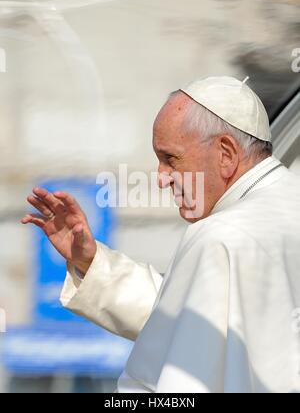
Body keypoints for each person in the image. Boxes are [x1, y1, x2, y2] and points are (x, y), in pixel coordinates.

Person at [22, 76, 300, 393]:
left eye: (171, 159)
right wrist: (91, 261)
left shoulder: (220, 235)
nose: (161, 180)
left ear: (225, 153)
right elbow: (189, 318)